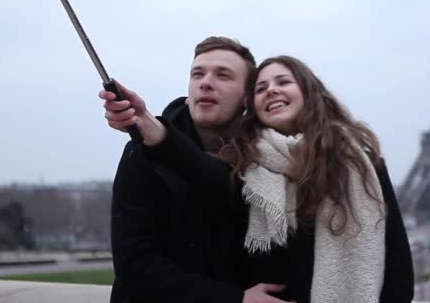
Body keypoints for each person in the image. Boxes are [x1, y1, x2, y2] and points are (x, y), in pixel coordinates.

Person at [103, 54, 414, 302]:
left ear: (310, 92)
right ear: (252, 106)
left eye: (283, 81)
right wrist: (152, 129)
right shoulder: (249, 166)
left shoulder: (361, 163)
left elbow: (397, 267)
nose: (272, 90)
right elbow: (201, 171)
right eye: (262, 88)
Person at [103, 36, 293, 303]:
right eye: (197, 74)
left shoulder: (270, 156)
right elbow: (136, 266)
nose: (205, 82)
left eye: (223, 75)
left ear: (247, 98)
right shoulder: (141, 153)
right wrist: (233, 299)